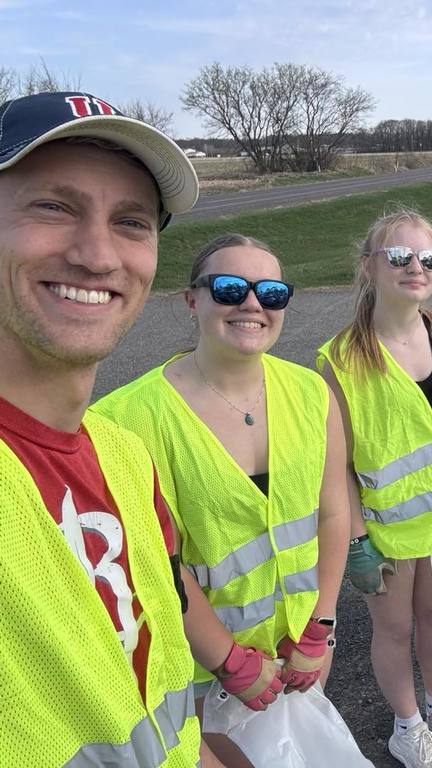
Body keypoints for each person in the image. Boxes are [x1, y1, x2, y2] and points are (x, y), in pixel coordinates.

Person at [0, 90, 215, 765]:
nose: (98, 257)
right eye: (54, 206)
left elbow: (156, 698)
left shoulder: (124, 457)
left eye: (131, 221)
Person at [94, 233, 351, 764]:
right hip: (198, 673)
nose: (252, 304)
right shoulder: (128, 421)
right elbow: (154, 564)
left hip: (298, 652)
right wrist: (227, 659)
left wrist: (320, 627)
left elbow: (332, 512)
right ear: (192, 300)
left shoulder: (311, 393)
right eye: (231, 288)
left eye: (272, 293)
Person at [318, 209, 432, 768]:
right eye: (399, 257)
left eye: (429, 258)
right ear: (369, 267)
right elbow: (335, 465)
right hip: (386, 530)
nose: (417, 267)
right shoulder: (340, 359)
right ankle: (405, 725)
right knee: (395, 628)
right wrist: (356, 540)